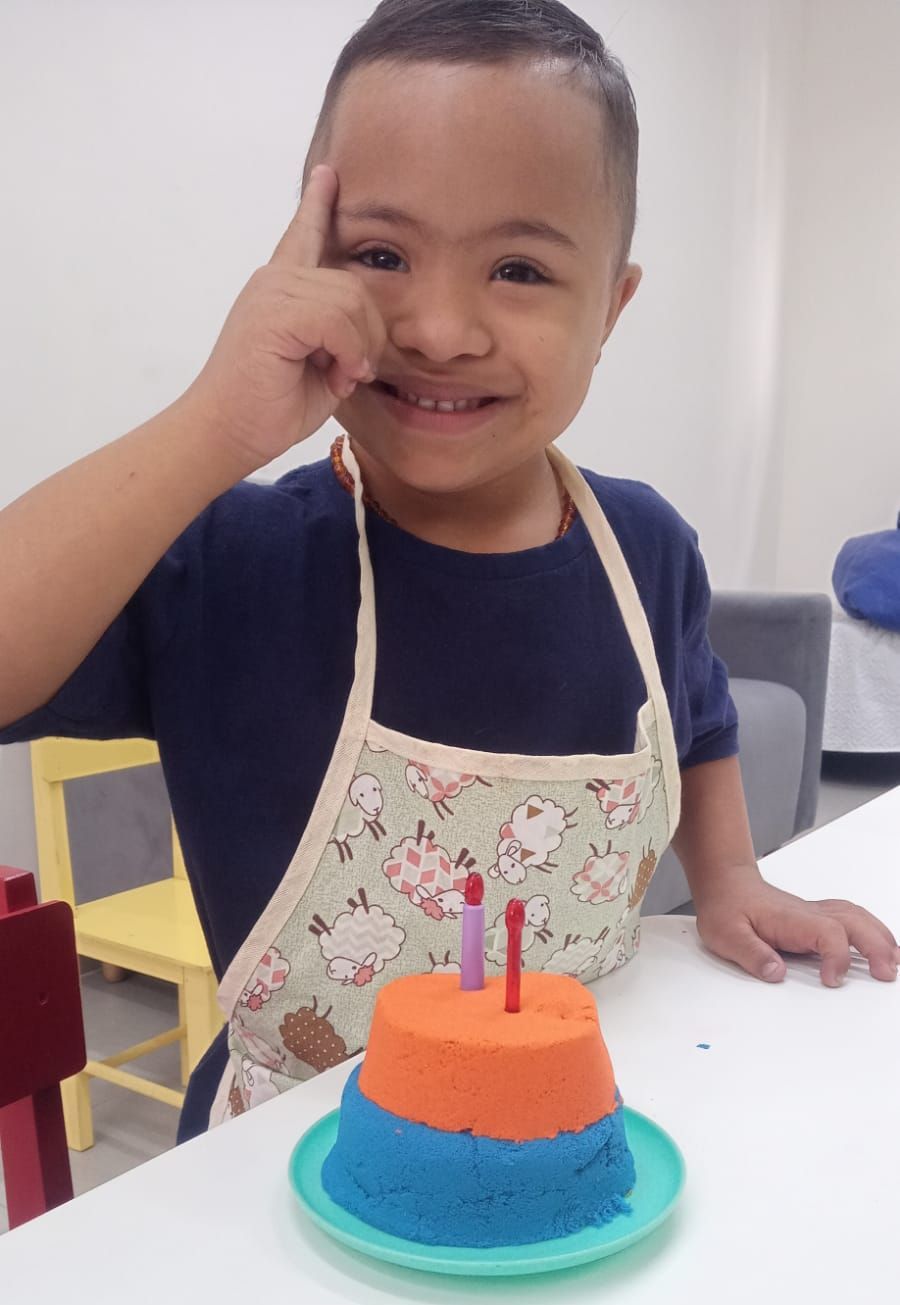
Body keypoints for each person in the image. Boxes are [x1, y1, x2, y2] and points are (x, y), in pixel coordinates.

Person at [1, 0, 896, 1141]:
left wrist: (729, 882)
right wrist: (211, 425)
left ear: (610, 308)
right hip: (286, 1174)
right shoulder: (233, 564)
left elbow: (699, 723)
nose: (437, 327)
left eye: (518, 268)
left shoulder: (646, 549)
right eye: (381, 255)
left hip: (571, 1142)